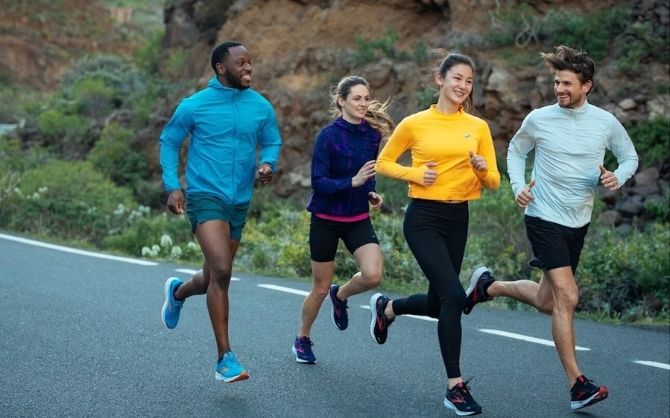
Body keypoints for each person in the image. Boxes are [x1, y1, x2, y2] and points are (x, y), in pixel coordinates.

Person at [463, 45, 638, 411]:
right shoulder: (540, 119)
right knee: (568, 297)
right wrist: (518, 187)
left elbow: (629, 157)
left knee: (547, 301)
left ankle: (487, 286)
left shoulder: (605, 123)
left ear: (587, 85)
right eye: (556, 82)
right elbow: (515, 150)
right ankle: (578, 385)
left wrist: (617, 177)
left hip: (579, 220)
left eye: (567, 83)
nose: (559, 89)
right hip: (543, 215)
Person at [374, 53, 500, 416]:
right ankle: (454, 387)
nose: (463, 86)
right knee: (454, 297)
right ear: (440, 79)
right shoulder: (415, 123)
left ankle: (389, 307)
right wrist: (414, 175)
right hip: (423, 218)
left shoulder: (477, 127)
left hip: (457, 217)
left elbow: (493, 180)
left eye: (469, 81)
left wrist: (480, 169)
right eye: (457, 78)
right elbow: (383, 162)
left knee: (438, 302)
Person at [158, 41, 282, 383]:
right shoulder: (195, 105)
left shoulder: (260, 106)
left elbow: (272, 140)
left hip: (239, 200)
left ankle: (178, 292)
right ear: (220, 68)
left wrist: (269, 163)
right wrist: (173, 185)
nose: (248, 68)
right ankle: (224, 358)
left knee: (212, 276)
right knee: (223, 271)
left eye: (250, 62)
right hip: (204, 195)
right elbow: (169, 141)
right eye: (240, 63)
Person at [292, 76, 395, 364]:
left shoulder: (372, 135)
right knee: (320, 287)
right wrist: (352, 182)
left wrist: (371, 193)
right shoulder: (327, 136)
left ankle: (342, 295)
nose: (363, 103)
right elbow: (318, 182)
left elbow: (368, 175)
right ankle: (302, 337)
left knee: (373, 275)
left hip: (356, 217)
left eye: (366, 98)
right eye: (356, 98)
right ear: (341, 101)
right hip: (325, 218)